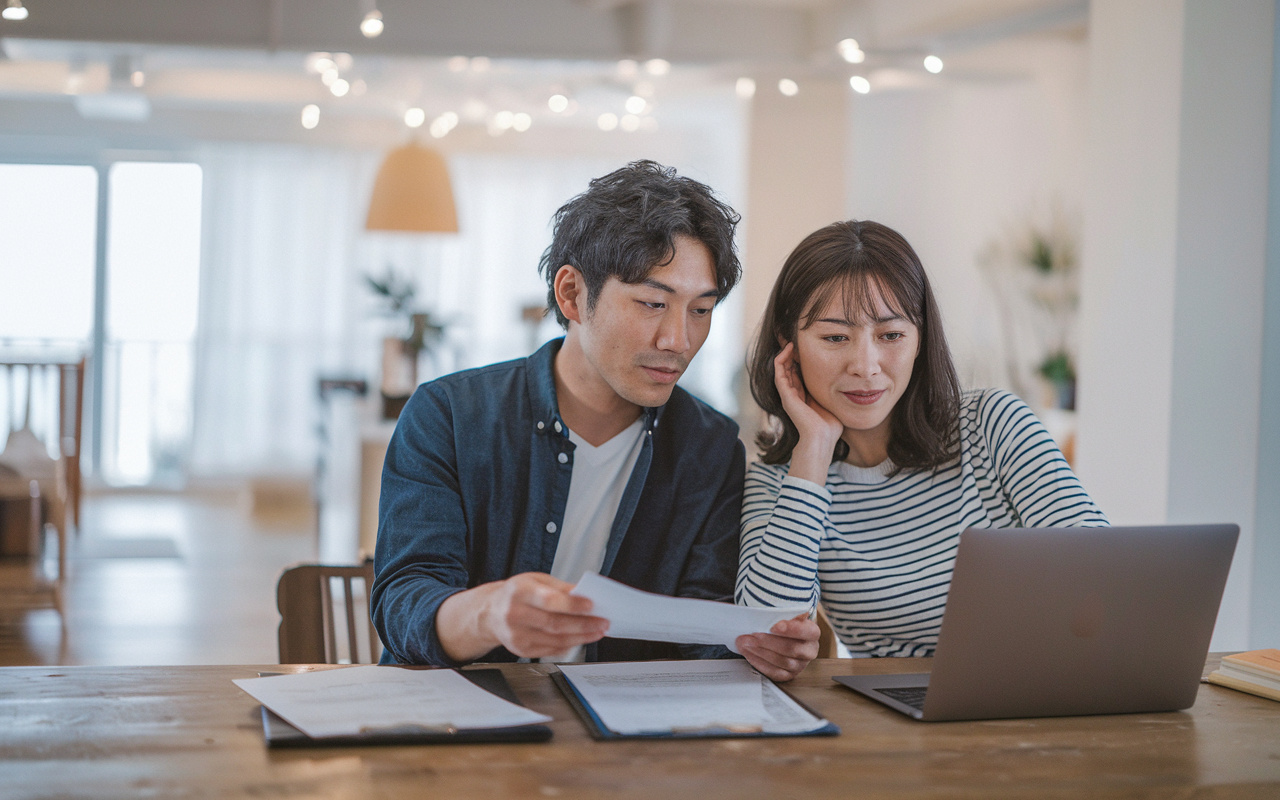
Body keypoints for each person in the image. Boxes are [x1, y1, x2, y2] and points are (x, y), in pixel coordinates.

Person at [372, 160, 818, 680]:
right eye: (652, 303)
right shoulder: (450, 415)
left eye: (700, 310)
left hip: (627, 723)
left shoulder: (709, 446)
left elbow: (704, 635)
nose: (678, 340)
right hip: (459, 713)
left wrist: (757, 646)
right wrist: (490, 614)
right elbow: (404, 602)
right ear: (572, 294)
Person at [737, 219, 1108, 658]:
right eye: (835, 337)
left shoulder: (991, 425)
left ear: (920, 338)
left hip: (1026, 684)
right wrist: (813, 449)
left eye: (891, 335)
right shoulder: (782, 480)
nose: (866, 366)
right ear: (789, 344)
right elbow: (767, 637)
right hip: (890, 700)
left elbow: (1102, 578)